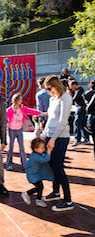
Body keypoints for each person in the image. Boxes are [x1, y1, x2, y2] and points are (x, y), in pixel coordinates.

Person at [41, 75, 74, 212]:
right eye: (46, 89)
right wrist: (44, 136)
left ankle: (68, 200)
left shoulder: (65, 97)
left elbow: (63, 121)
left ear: (56, 85)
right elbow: (50, 120)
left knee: (58, 167)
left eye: (49, 88)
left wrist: (53, 139)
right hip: (51, 136)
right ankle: (55, 192)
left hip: (60, 137)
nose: (48, 91)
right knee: (51, 165)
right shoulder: (52, 98)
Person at [6, 93, 44, 170]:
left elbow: (30, 111)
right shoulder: (9, 110)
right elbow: (3, 119)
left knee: (21, 147)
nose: (21, 101)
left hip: (19, 129)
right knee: (11, 147)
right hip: (11, 130)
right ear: (15, 100)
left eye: (21, 99)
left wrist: (41, 113)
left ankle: (24, 164)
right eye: (20, 99)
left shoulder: (22, 108)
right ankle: (9, 164)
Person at [21, 138, 54, 208]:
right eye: (42, 148)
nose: (43, 149)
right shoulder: (35, 156)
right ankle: (27, 194)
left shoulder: (36, 154)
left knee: (40, 186)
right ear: (35, 149)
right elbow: (45, 159)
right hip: (32, 174)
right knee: (39, 187)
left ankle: (38, 200)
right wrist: (49, 150)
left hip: (35, 174)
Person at [69, 80, 90, 146]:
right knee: (82, 123)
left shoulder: (79, 89)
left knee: (77, 123)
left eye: (71, 86)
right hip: (80, 107)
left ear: (74, 84)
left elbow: (75, 98)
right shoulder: (78, 90)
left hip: (80, 108)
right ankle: (86, 138)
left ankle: (78, 139)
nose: (71, 88)